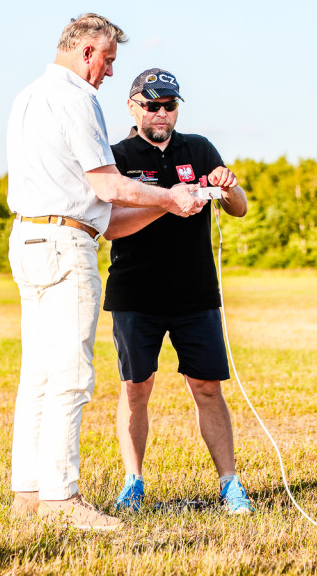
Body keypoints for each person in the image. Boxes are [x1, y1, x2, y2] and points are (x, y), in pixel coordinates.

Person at [6, 16, 206, 531]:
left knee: (39, 375)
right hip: (64, 242)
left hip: (27, 238)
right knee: (70, 376)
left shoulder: (27, 96)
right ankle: (61, 498)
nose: (110, 73)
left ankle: (27, 492)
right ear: (89, 51)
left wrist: (162, 207)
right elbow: (108, 185)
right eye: (110, 61)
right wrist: (171, 196)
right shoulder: (76, 97)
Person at [102, 68, 255, 515]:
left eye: (169, 105)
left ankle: (230, 485)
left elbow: (240, 208)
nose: (162, 114)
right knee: (136, 387)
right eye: (152, 105)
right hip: (136, 293)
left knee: (207, 387)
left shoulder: (199, 148)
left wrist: (226, 187)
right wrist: (169, 201)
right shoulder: (117, 156)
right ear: (133, 107)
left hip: (196, 292)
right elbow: (110, 226)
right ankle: (133, 483)